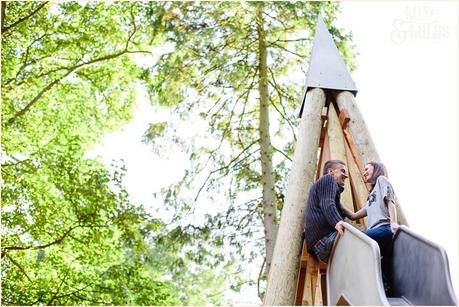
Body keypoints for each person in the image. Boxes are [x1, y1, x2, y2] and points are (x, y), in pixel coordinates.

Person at [341, 161, 399, 292]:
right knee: (377, 260)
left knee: (358, 241)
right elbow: (354, 215)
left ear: (376, 169)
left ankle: (376, 284)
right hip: (376, 233)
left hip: (384, 228)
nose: (364, 172)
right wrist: (338, 205)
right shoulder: (371, 197)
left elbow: (390, 200)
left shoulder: (382, 180)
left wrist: (394, 223)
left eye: (367, 168)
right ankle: (385, 287)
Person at [304, 160, 348, 263]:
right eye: (342, 171)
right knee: (367, 239)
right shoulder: (328, 179)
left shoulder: (325, 188)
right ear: (331, 172)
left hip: (320, 247)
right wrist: (338, 222)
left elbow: (331, 204)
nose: (346, 176)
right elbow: (327, 203)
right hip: (326, 240)